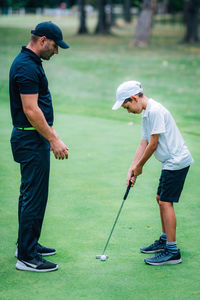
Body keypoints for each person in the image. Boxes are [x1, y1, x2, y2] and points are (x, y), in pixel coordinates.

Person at [9, 21, 70, 272]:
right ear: (42, 40)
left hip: (32, 138)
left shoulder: (31, 63)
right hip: (30, 140)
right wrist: (53, 139)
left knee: (30, 195)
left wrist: (51, 133)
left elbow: (38, 109)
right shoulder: (26, 66)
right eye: (55, 46)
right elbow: (31, 110)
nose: (56, 52)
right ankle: (26, 256)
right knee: (34, 197)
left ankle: (26, 244)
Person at [112, 80, 193, 265]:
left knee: (165, 202)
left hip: (177, 160)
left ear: (134, 98)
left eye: (127, 106)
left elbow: (153, 143)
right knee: (160, 198)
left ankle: (172, 252)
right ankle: (165, 240)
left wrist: (140, 167)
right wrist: (132, 168)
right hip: (169, 162)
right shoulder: (146, 113)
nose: (128, 111)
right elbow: (144, 142)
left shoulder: (155, 111)